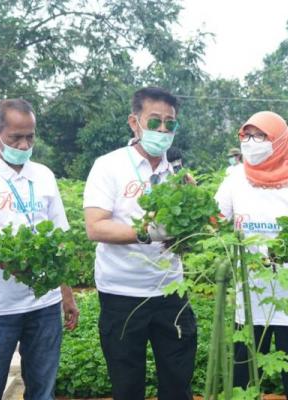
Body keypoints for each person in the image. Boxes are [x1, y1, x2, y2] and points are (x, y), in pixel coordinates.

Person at [0, 98, 79, 400]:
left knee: (42, 392)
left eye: (30, 136)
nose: (23, 145)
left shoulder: (44, 175)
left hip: (43, 306)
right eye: (15, 137)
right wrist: (12, 262)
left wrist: (66, 293)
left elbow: (59, 239)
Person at [83, 87, 196, 400]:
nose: (163, 130)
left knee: (178, 383)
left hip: (171, 292)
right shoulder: (109, 166)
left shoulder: (176, 170)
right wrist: (147, 232)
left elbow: (191, 229)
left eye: (170, 124)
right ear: (134, 122)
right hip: (122, 295)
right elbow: (96, 227)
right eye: (155, 121)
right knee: (127, 384)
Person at [215, 111, 288, 399]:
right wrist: (193, 199)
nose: (251, 142)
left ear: (278, 141)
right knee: (243, 382)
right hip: (250, 301)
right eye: (247, 135)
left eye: (260, 136)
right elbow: (214, 219)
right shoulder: (235, 178)